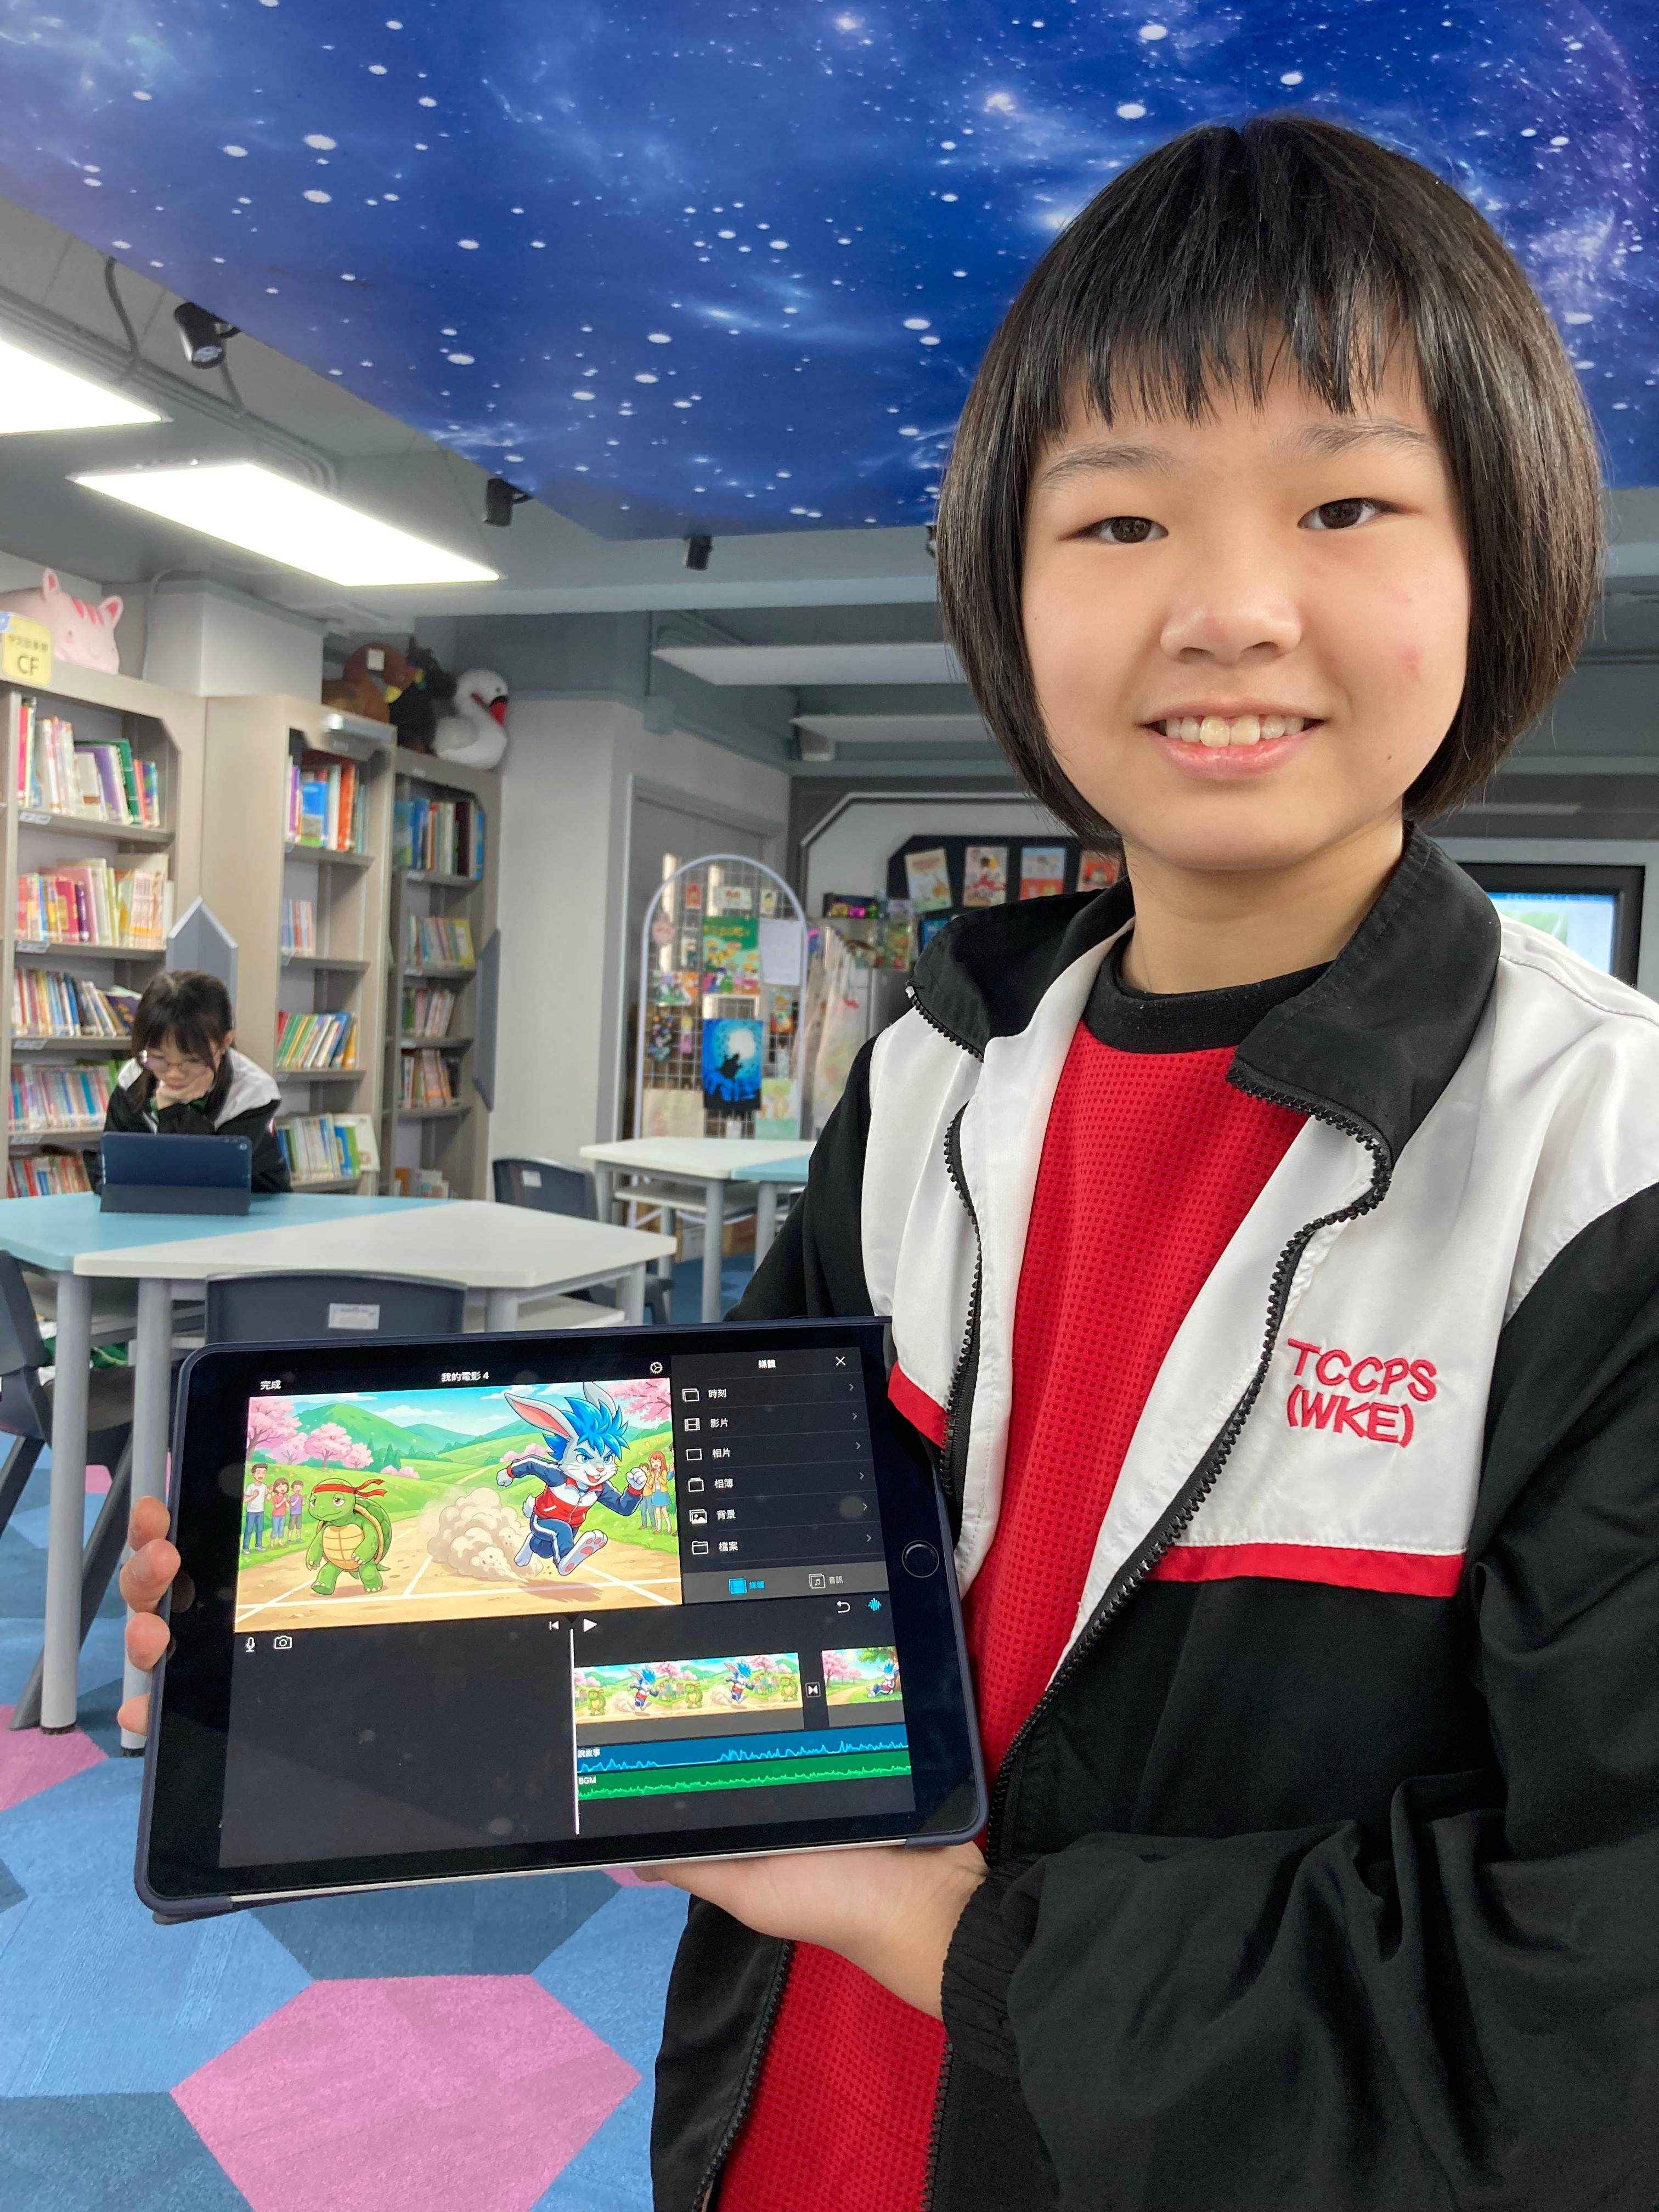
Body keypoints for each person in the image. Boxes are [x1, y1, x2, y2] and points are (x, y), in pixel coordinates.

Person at [116, 115, 1659, 2210]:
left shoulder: (1599, 1183)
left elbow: (1588, 2020)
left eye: (1343, 502)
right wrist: (372, 1624)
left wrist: (939, 1928)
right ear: (1006, 584)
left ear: (1499, 552)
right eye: (1116, 518)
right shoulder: (939, 1069)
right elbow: (727, 1567)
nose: (1225, 607)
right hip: (782, 2126)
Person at [103, 969, 290, 1192]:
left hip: (257, 1203)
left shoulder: (253, 1093)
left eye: (192, 1060)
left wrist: (172, 1109)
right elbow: (110, 1173)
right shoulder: (133, 1080)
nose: (174, 1074)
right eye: (159, 1058)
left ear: (225, 1042)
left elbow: (200, 1180)